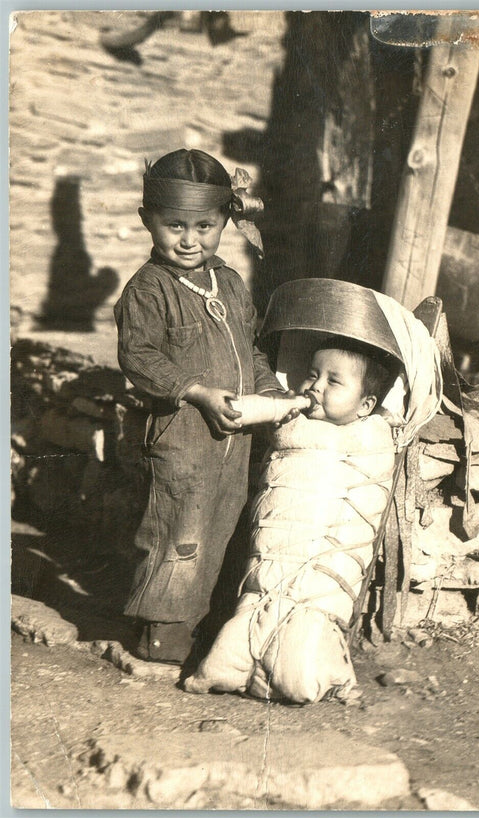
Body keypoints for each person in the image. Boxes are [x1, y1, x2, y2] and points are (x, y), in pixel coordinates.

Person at [114, 148, 288, 664]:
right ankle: (162, 633)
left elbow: (250, 349)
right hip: (183, 437)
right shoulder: (148, 290)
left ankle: (206, 623)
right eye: (174, 226)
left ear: (224, 223)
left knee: (226, 525)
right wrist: (194, 390)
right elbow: (138, 356)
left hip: (234, 440)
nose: (189, 240)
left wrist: (271, 394)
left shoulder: (230, 285)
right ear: (148, 220)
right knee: (178, 529)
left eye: (204, 226)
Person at [184, 336, 398, 703]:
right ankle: (236, 665)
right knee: (252, 612)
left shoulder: (370, 440)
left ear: (366, 406)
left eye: (334, 381)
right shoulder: (291, 428)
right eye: (313, 375)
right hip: (274, 562)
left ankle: (300, 668)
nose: (315, 386)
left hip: (318, 582)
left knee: (301, 661)